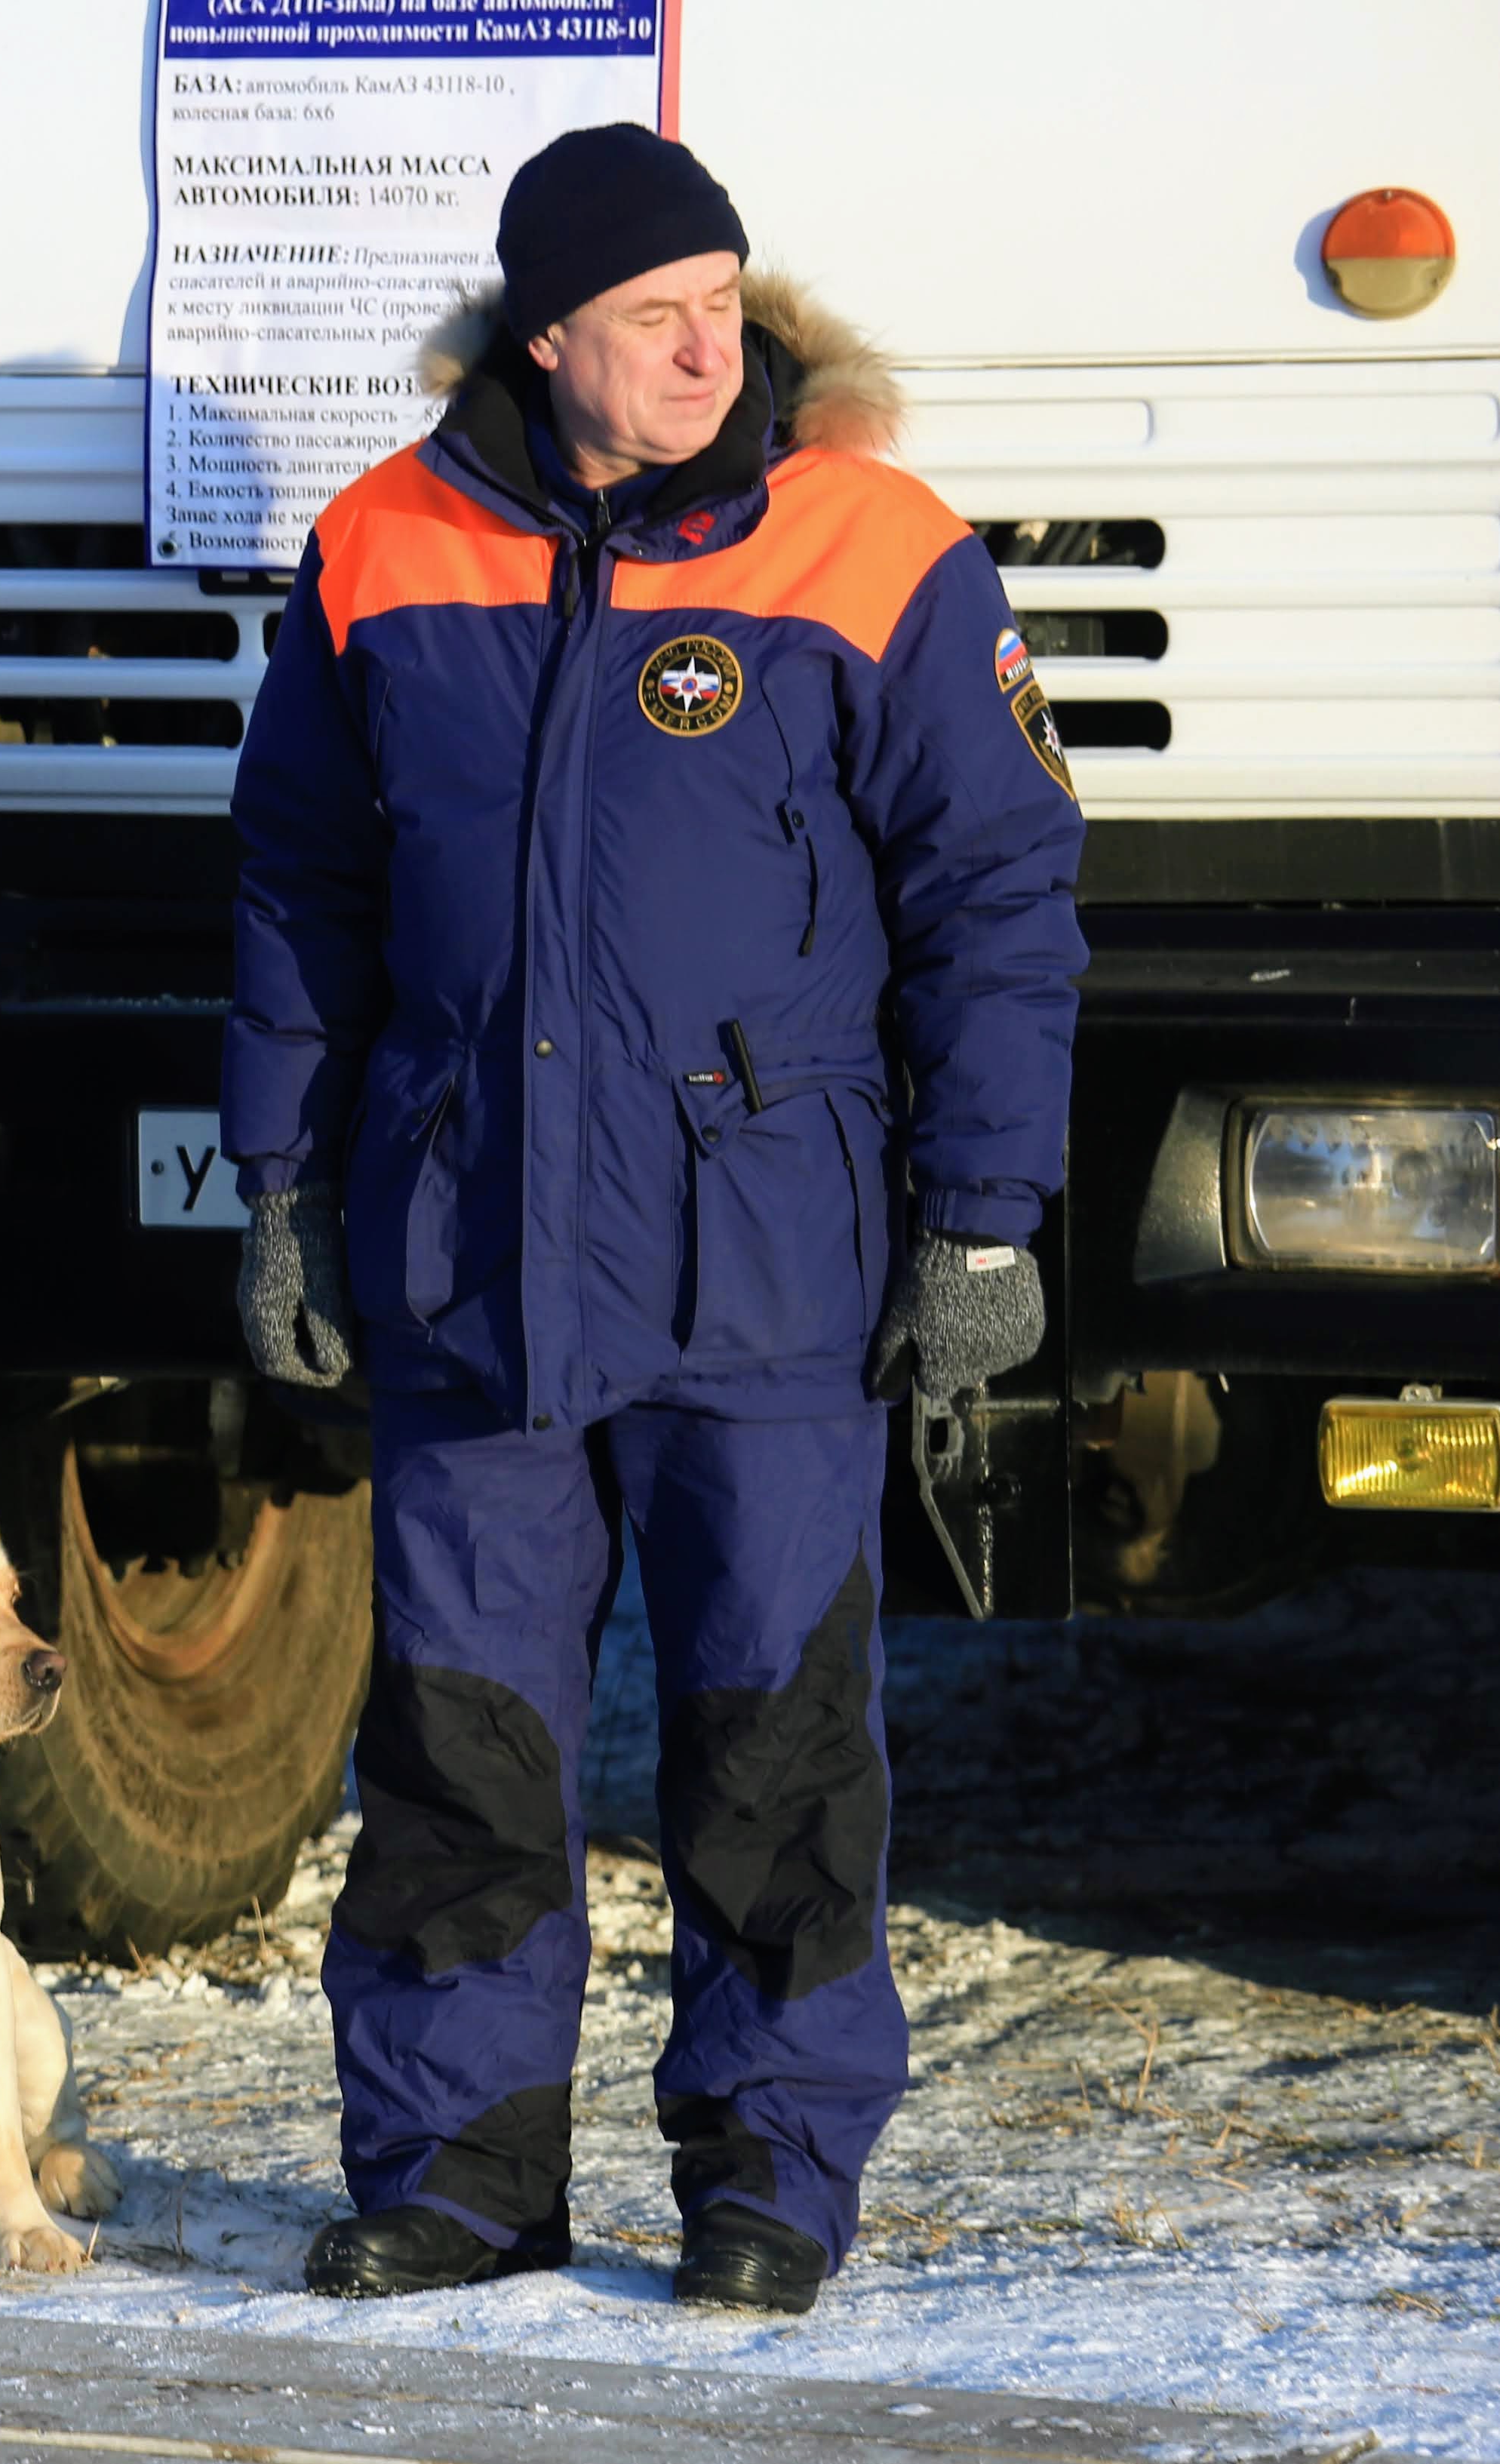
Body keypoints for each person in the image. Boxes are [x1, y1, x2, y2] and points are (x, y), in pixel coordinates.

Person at [226, 124, 1085, 2313]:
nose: (710, 349)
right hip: (467, 1254)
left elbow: (998, 896)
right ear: (546, 338)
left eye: (721, 304)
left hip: (763, 1250)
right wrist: (283, 1188)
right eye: (653, 317)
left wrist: (985, 1213)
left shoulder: (872, 544)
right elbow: (302, 889)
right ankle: (454, 2170)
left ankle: (770, 2175)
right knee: (455, 1737)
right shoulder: (379, 544)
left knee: (771, 1739)